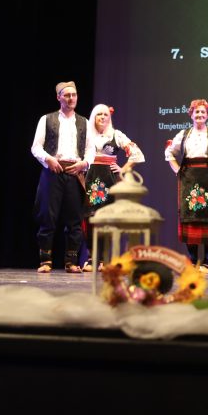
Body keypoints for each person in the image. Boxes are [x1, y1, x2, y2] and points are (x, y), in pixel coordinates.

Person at [28, 81, 93, 273]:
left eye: (74, 95)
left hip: (74, 172)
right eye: (67, 95)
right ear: (59, 97)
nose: (71, 98)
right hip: (53, 171)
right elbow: (36, 147)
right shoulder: (47, 119)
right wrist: (48, 159)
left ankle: (71, 262)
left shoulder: (84, 122)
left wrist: (84, 163)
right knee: (47, 216)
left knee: (74, 219)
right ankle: (45, 261)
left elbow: (90, 149)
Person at [166, 98, 208, 274]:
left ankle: (207, 261)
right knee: (190, 217)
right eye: (196, 112)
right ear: (191, 114)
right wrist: (177, 170)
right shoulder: (184, 134)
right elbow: (169, 153)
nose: (200, 115)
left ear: (207, 115)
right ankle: (193, 260)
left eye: (203, 112)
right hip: (189, 178)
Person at [81, 103, 145, 271]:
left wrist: (123, 169)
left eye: (105, 115)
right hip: (88, 179)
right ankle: (91, 258)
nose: (102, 117)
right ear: (93, 117)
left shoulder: (116, 135)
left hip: (109, 181)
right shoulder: (86, 135)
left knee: (106, 219)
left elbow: (137, 153)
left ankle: (104, 259)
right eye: (99, 114)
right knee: (89, 218)